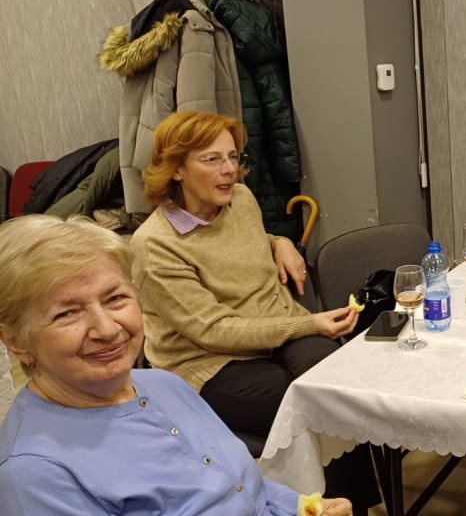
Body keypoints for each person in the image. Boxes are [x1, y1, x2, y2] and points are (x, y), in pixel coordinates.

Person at [0, 215, 353, 515]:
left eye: (115, 298)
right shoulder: (35, 473)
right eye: (67, 313)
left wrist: (299, 506)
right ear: (15, 340)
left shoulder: (165, 385)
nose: (107, 329)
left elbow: (244, 485)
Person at [129, 111, 379, 508]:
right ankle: (301, 507)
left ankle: (355, 506)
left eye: (233, 156)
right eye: (212, 159)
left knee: (337, 385)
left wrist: (279, 242)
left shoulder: (240, 200)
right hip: (210, 362)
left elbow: (241, 242)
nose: (229, 170)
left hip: (273, 328)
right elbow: (214, 331)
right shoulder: (155, 245)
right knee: (308, 405)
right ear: (176, 169)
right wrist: (307, 325)